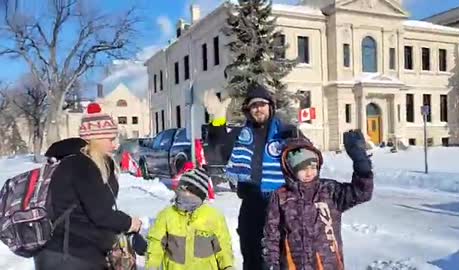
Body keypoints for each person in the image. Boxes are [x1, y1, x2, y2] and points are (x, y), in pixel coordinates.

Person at [204, 84, 302, 269]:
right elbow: (219, 146)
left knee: (282, 259)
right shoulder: (241, 135)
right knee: (252, 258)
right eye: (254, 105)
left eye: (262, 104)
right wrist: (217, 121)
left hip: (281, 205)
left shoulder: (286, 131)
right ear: (248, 110)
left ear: (270, 107)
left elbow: (306, 161)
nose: (258, 109)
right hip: (251, 205)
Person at [34, 103, 143, 270]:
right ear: (96, 138)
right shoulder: (84, 166)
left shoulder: (69, 162)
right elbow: (100, 214)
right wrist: (130, 223)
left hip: (56, 254)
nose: (115, 145)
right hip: (73, 256)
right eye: (111, 139)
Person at [262, 130, 374, 270]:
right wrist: (272, 264)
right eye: (302, 168)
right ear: (290, 169)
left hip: (328, 265)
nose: (309, 172)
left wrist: (361, 163)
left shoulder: (329, 190)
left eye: (312, 167)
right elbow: (272, 235)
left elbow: (362, 193)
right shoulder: (281, 196)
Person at [145, 167, 234, 270]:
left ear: (198, 194)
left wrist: (228, 266)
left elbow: (223, 247)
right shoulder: (167, 215)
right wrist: (152, 264)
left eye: (188, 190)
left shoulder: (213, 217)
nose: (183, 194)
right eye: (181, 189)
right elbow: (156, 243)